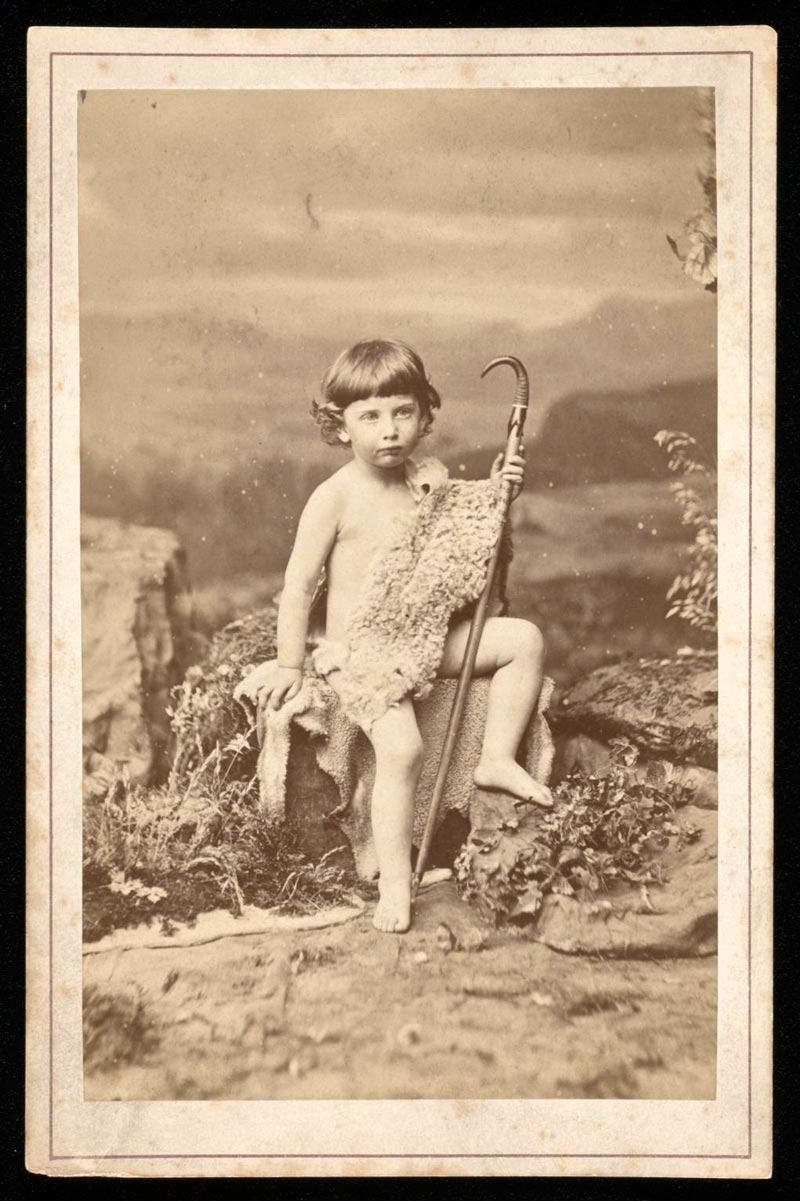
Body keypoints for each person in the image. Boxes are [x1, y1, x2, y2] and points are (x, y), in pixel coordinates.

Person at [236, 339, 551, 933]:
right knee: (402, 749)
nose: (389, 431)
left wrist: (501, 488)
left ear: (425, 415)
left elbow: (468, 536)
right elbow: (300, 584)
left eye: (403, 412)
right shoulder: (335, 497)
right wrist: (288, 664)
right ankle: (396, 884)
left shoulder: (428, 481)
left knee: (524, 640)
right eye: (370, 416)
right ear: (339, 424)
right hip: (362, 653)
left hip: (425, 637)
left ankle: (496, 758)